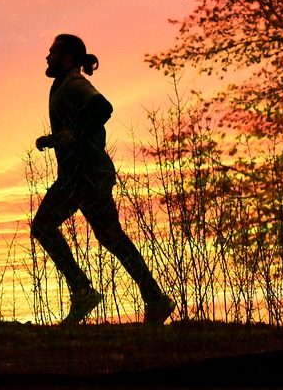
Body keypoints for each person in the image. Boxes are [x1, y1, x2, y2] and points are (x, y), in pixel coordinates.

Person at [32, 33, 176, 325]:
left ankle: (84, 292)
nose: (48, 57)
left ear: (68, 57)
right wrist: (55, 138)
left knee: (44, 227)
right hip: (86, 174)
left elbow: (102, 108)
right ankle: (156, 298)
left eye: (53, 52)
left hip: (83, 177)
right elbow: (79, 122)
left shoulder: (74, 83)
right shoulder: (63, 85)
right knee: (111, 237)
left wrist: (76, 134)